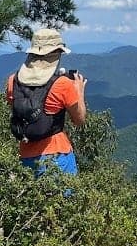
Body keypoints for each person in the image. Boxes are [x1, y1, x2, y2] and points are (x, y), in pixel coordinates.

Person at [5, 28, 87, 175]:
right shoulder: (62, 84)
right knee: (64, 198)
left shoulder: (13, 81)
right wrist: (79, 91)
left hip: (25, 156)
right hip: (57, 155)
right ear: (56, 54)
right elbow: (79, 120)